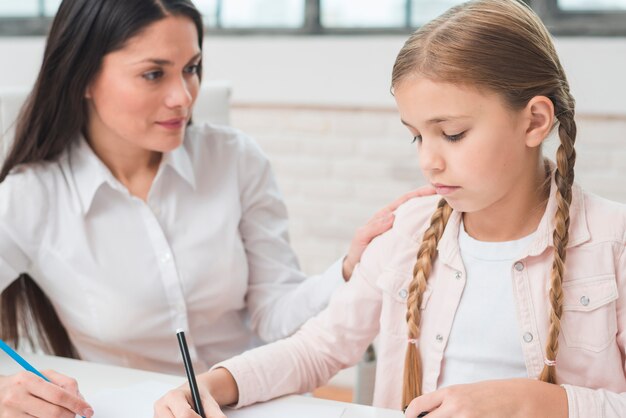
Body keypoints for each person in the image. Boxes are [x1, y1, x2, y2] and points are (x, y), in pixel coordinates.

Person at [154, 0, 626, 417]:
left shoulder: (613, 244)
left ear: (535, 121)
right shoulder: (407, 232)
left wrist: (543, 404)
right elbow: (317, 348)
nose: (428, 159)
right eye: (417, 135)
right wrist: (212, 386)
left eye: (453, 133)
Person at [0, 0, 435, 416]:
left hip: (253, 403)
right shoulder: (31, 198)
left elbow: (274, 315)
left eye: (191, 69)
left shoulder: (234, 159)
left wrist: (348, 267)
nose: (183, 97)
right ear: (84, 79)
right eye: (154, 74)